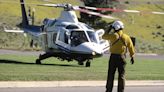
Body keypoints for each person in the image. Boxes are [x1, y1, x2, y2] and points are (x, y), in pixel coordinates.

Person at [104, 20, 135, 92]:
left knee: (110, 75)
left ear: (114, 28)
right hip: (122, 57)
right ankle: (121, 90)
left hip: (113, 57)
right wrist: (132, 56)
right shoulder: (126, 37)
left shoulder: (113, 35)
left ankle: (108, 90)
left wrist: (109, 29)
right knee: (121, 76)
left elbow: (104, 36)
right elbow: (131, 47)